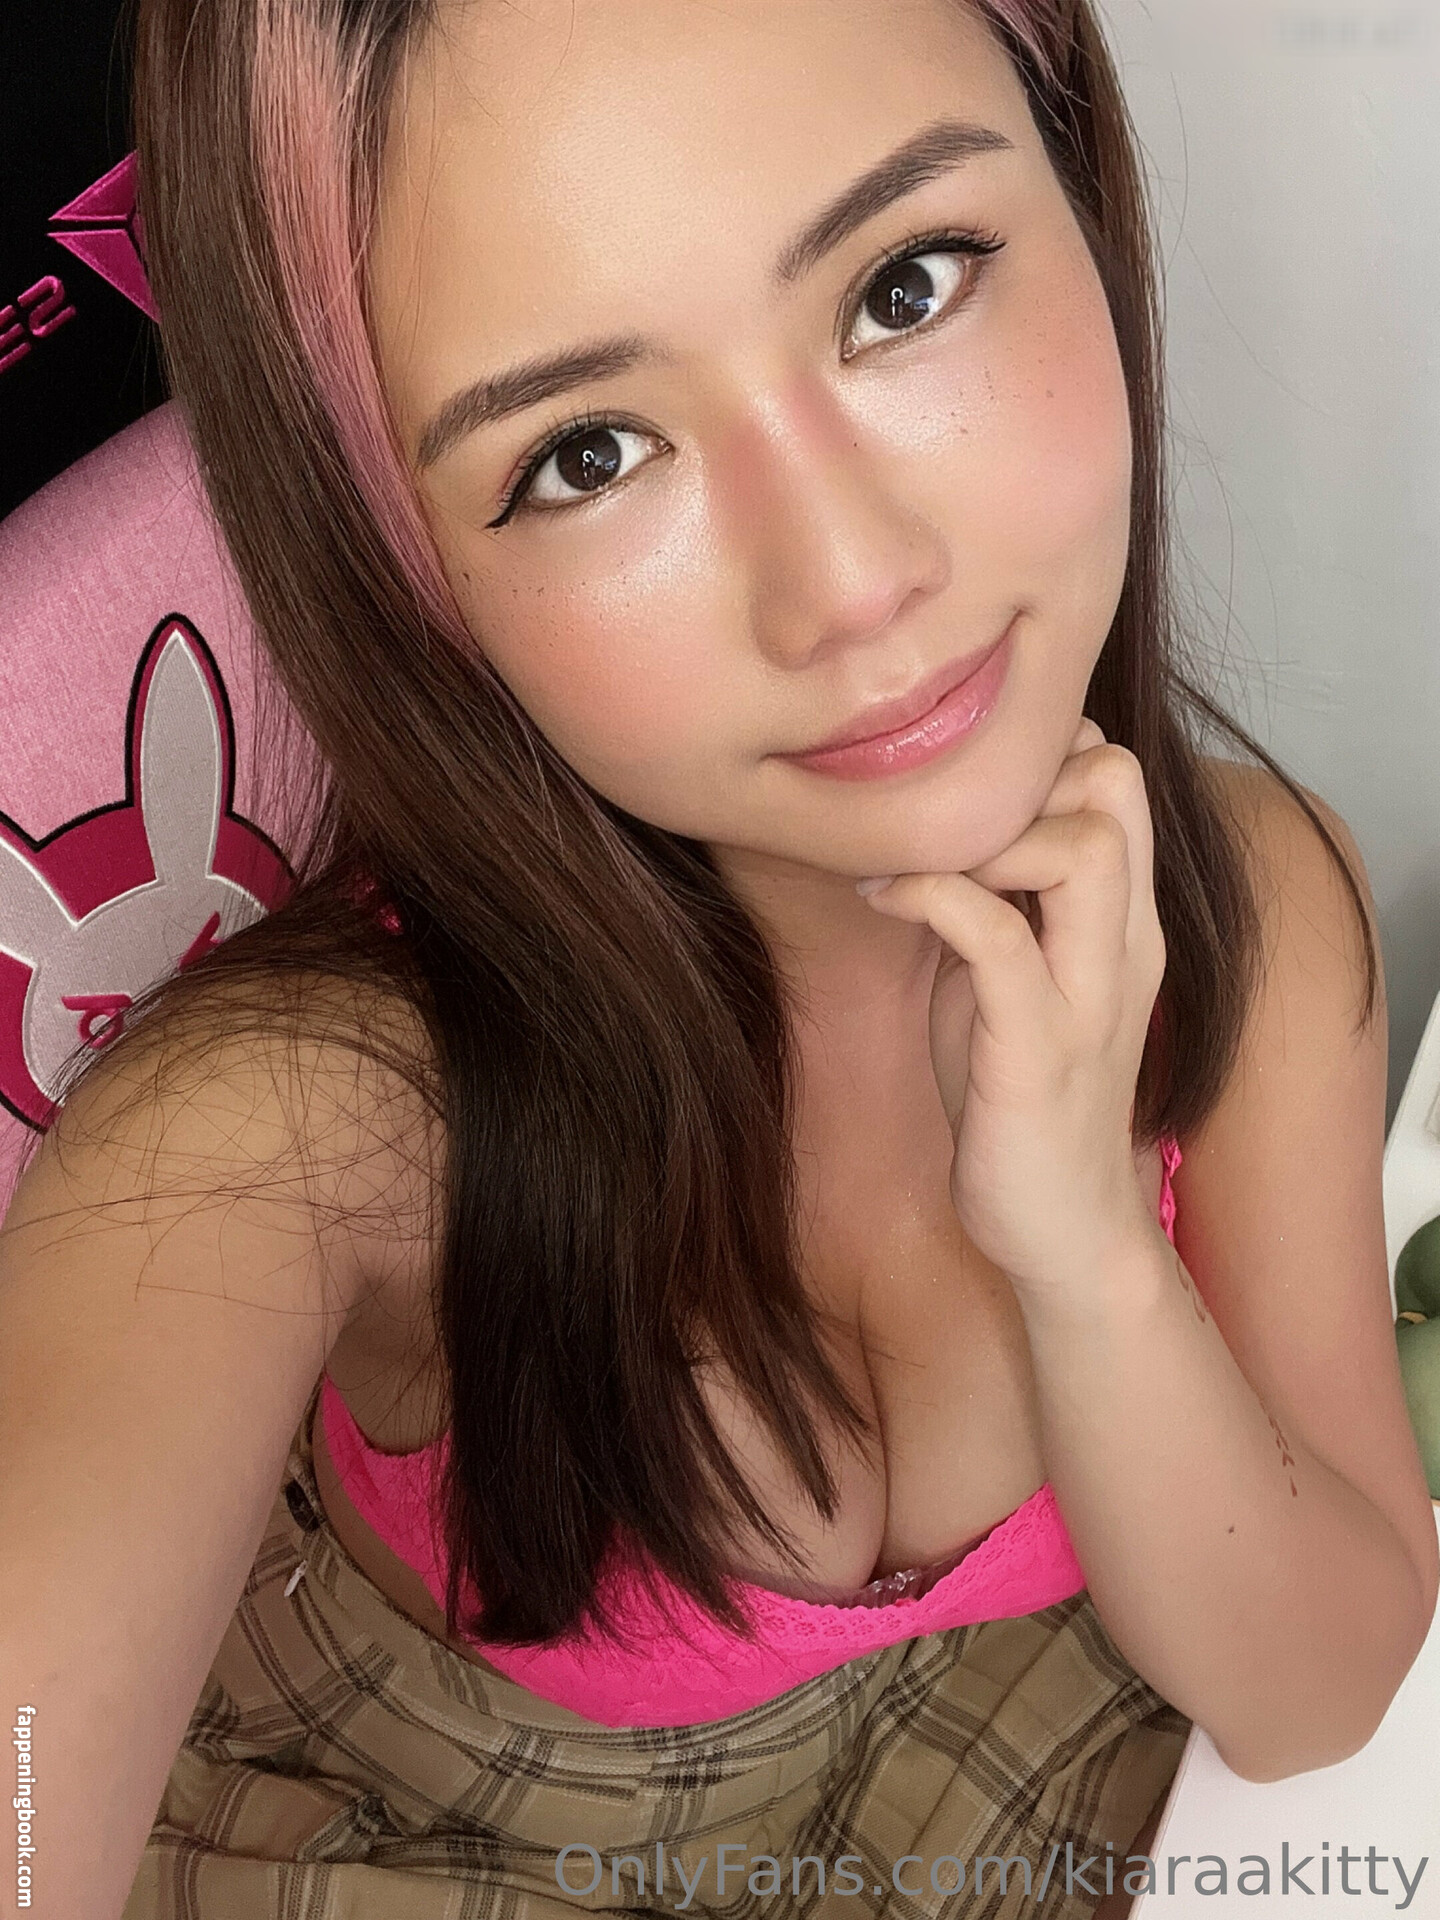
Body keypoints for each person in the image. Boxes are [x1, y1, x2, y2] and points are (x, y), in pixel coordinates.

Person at [1, 0, 1436, 1914]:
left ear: (1077, 180)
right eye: (588, 453)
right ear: (410, 570)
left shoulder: (1251, 906)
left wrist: (1093, 1258)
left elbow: (1319, 1697)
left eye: (906, 287)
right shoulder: (306, 1120)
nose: (850, 583)